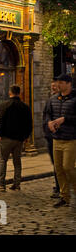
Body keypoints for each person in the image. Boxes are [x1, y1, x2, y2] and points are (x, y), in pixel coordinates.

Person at [0, 85, 32, 192]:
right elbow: (29, 123)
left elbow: (1, 121)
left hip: (6, 138)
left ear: (10, 92)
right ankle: (17, 184)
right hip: (19, 139)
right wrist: (26, 136)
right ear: (20, 92)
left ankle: (1, 184)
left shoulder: (4, 105)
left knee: (3, 160)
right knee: (17, 161)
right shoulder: (25, 107)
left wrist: (0, 134)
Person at [44, 74, 76, 208]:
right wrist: (49, 123)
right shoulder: (53, 99)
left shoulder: (75, 99)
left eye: (61, 83)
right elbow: (47, 114)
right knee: (58, 169)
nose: (58, 85)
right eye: (58, 82)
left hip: (70, 138)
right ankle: (64, 197)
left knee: (68, 167)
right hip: (56, 138)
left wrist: (65, 119)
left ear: (69, 84)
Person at [43, 78, 60, 198]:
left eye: (55, 86)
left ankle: (60, 187)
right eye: (52, 86)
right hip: (51, 137)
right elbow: (46, 117)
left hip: (61, 137)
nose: (53, 88)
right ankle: (59, 185)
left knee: (61, 164)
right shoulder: (50, 101)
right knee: (56, 163)